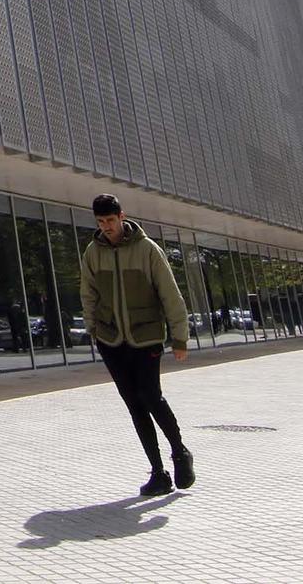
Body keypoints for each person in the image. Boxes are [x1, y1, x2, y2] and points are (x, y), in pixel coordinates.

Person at [79, 194, 194, 497]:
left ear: (121, 216)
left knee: (151, 397)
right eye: (101, 222)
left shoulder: (147, 250)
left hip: (145, 338)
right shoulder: (93, 252)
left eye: (110, 221)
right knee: (134, 404)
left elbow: (170, 293)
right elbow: (88, 293)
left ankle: (180, 452)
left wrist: (179, 337)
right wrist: (92, 329)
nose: (106, 227)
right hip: (111, 339)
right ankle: (158, 472)